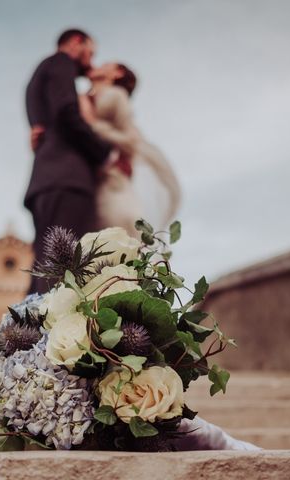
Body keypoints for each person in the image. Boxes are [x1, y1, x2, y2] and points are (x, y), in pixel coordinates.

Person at [24, 29, 113, 294]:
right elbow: (66, 112)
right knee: (62, 271)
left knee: (45, 267)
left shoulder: (40, 74)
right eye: (91, 52)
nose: (92, 61)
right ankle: (51, 333)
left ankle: (30, 333)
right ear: (76, 43)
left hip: (48, 179)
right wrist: (102, 152)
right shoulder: (60, 62)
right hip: (67, 179)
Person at [78, 63, 181, 236]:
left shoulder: (116, 96)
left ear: (117, 73)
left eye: (106, 64)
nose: (98, 65)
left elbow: (130, 142)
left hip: (111, 181)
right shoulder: (83, 98)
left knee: (119, 234)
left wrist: (92, 125)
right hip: (87, 183)